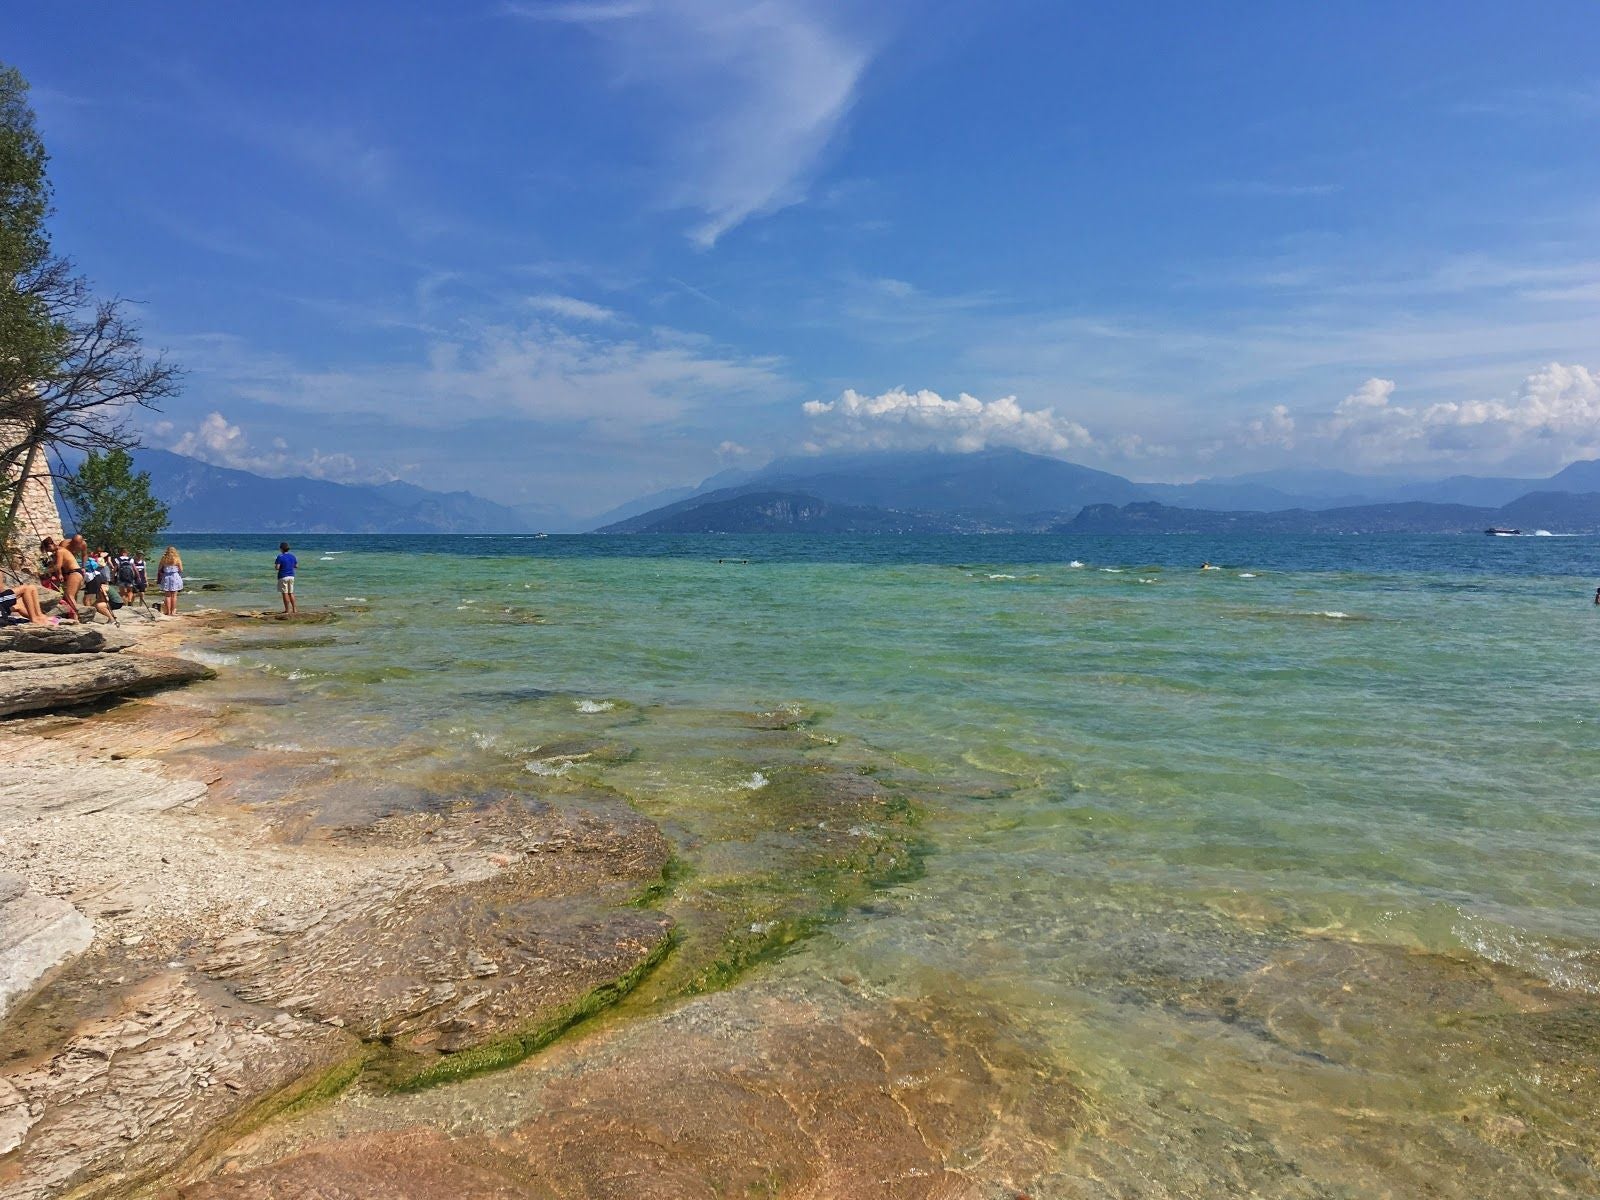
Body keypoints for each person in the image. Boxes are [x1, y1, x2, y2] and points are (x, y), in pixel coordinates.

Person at [40, 537, 83, 621]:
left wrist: (45, 571)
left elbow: (58, 566)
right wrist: (59, 574)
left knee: (69, 596)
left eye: (48, 549)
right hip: (73, 573)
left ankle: (77, 616)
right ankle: (75, 616)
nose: (49, 551)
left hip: (74, 572)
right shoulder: (57, 552)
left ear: (51, 545)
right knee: (69, 596)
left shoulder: (60, 551)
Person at [157, 546, 184, 616]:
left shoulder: (164, 558)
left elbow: (159, 568)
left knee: (167, 595)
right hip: (175, 576)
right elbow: (181, 569)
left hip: (166, 576)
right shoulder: (177, 558)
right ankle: (173, 611)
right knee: (174, 595)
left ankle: (168, 612)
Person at [274, 541, 298, 614]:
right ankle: (294, 609)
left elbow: (277, 567)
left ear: (281, 549)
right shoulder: (293, 556)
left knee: (285, 593)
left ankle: (287, 610)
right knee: (291, 593)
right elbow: (296, 566)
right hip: (291, 576)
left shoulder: (280, 557)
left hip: (283, 576)